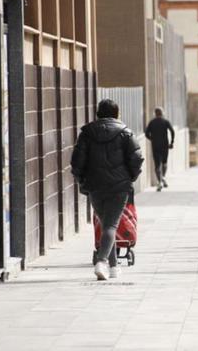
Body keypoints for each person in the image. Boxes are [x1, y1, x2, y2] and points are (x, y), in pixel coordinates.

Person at [71, 99, 143, 281]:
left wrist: (82, 180)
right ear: (117, 113)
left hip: (95, 186)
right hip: (119, 187)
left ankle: (113, 267)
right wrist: (130, 177)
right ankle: (102, 261)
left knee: (106, 225)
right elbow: (137, 158)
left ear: (98, 114)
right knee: (110, 225)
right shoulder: (125, 133)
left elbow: (76, 162)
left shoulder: (86, 133)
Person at [145, 107, 175, 192]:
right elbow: (172, 131)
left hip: (155, 146)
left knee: (157, 165)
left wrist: (152, 139)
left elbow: (146, 133)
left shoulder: (152, 122)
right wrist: (172, 142)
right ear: (162, 113)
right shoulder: (165, 121)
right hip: (165, 145)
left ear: (155, 113)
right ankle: (164, 178)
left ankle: (159, 182)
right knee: (164, 162)